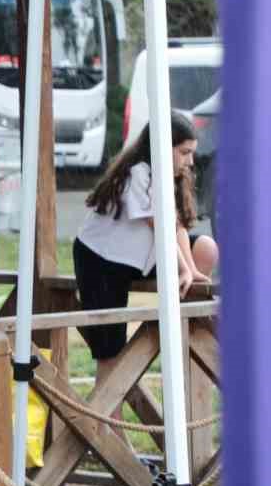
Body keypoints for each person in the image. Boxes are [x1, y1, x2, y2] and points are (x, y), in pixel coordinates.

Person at [73, 110, 219, 379]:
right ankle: (106, 420)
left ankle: (186, 328)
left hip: (145, 255)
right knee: (110, 353)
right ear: (163, 148)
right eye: (184, 152)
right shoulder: (136, 174)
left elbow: (176, 228)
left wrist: (191, 269)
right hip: (102, 260)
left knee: (206, 247)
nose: (190, 160)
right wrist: (184, 270)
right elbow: (159, 227)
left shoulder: (175, 174)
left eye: (192, 152)